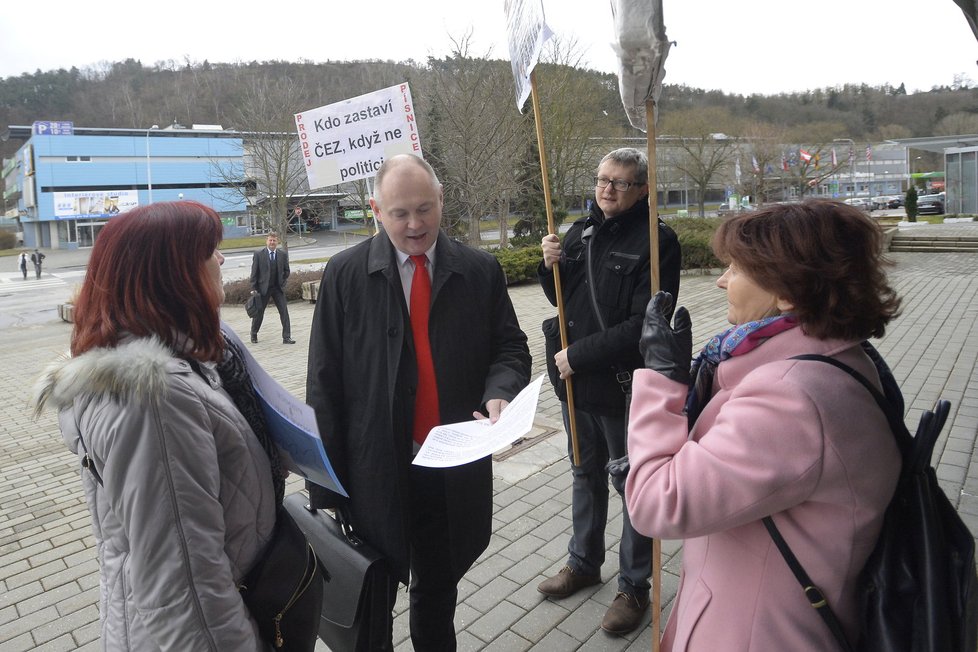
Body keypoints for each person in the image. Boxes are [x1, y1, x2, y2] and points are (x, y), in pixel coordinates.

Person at [625, 199, 904, 651]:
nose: (721, 281)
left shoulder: (790, 397)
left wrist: (660, 380)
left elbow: (656, 503)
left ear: (787, 291)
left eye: (735, 268)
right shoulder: (831, 355)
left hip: (756, 631)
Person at [31, 201, 286, 650]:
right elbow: (184, 586)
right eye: (212, 250)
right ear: (175, 273)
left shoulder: (180, 360)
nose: (222, 260)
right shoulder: (156, 399)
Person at [306, 154, 531, 650]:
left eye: (425, 209)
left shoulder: (479, 270)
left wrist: (499, 393)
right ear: (375, 210)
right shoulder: (344, 275)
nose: (414, 225)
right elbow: (323, 383)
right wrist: (325, 489)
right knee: (371, 601)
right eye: (400, 213)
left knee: (436, 594)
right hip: (372, 474)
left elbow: (510, 347)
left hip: (451, 468)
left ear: (442, 200)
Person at [536, 147, 681, 635]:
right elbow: (564, 297)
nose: (607, 189)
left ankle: (634, 586)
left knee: (633, 486)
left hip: (621, 386)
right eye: (602, 179)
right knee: (583, 472)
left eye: (619, 182)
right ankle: (583, 562)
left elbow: (647, 322)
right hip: (574, 385)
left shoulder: (657, 242)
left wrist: (579, 355)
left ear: (642, 188)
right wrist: (547, 265)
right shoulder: (581, 230)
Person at [250, 232, 294, 344]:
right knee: (259, 313)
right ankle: (254, 334)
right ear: (267, 241)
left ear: (277, 242)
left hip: (277, 288)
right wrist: (254, 288)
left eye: (274, 241)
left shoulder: (282, 254)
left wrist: (282, 282)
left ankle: (286, 337)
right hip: (263, 289)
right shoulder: (259, 254)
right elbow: (254, 273)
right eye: (270, 240)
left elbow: (287, 271)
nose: (272, 242)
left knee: (284, 312)